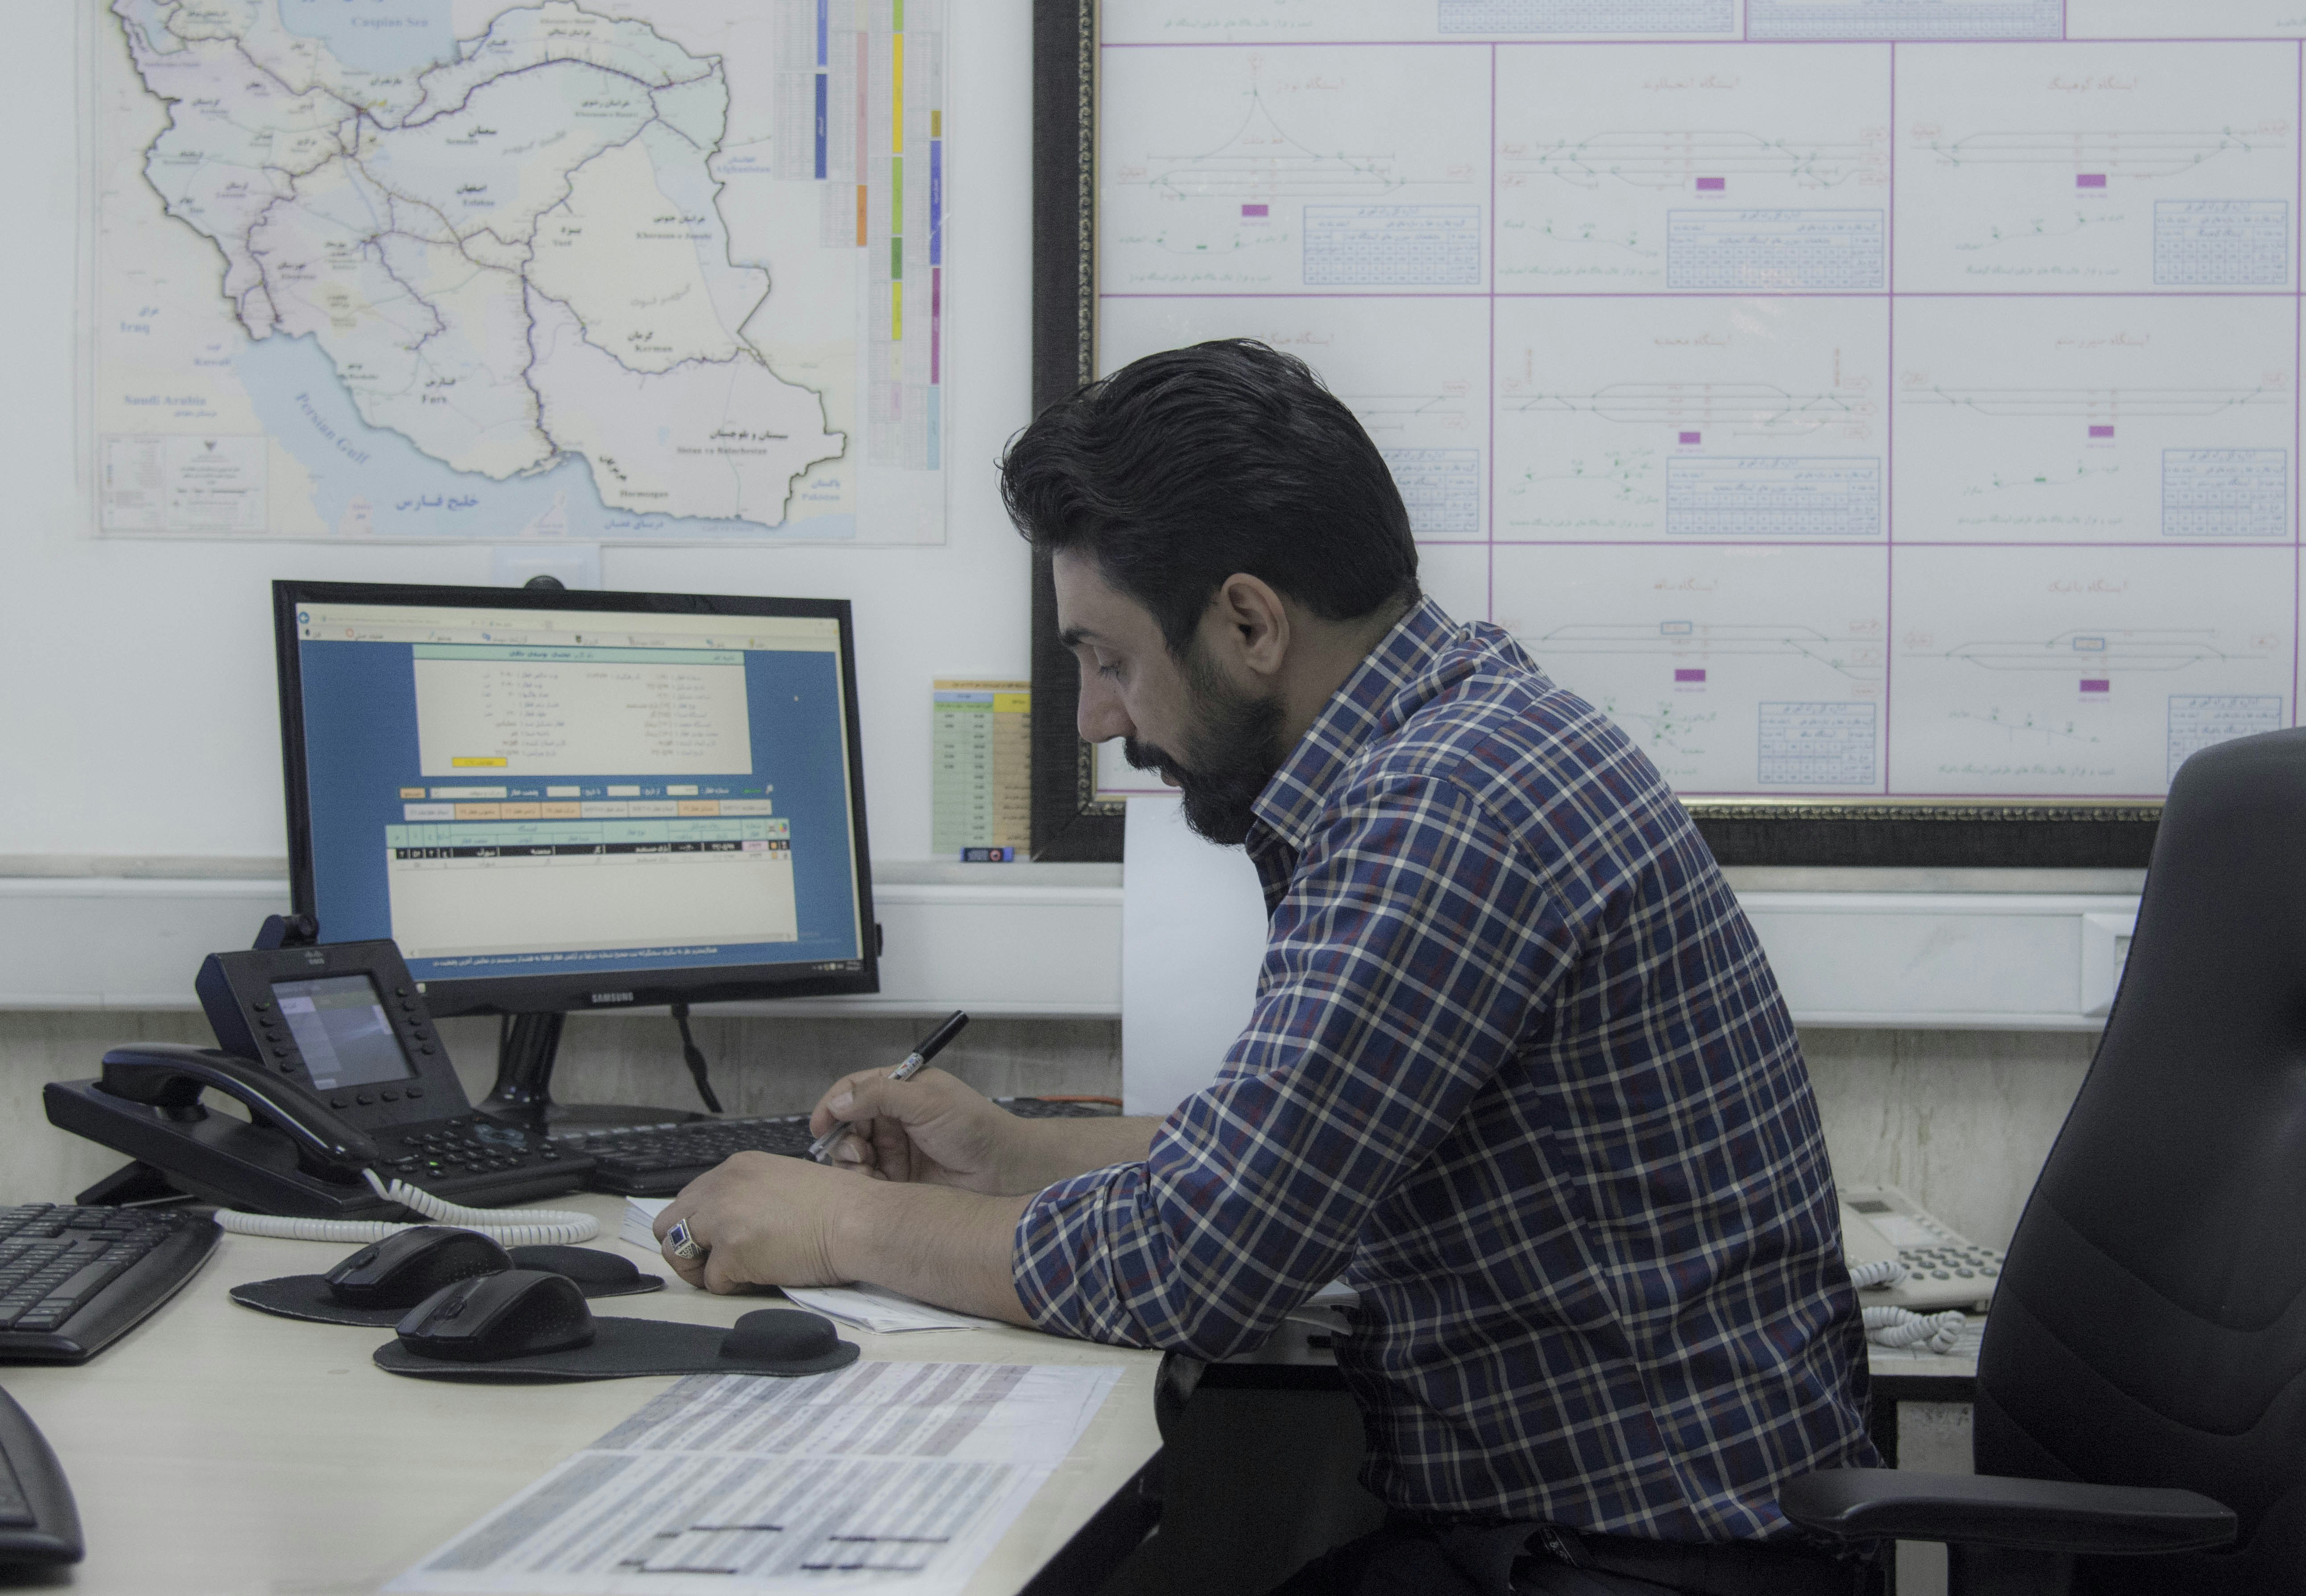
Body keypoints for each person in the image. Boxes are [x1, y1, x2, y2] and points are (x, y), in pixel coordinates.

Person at [656, 339, 1880, 1594]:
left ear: (1248, 621)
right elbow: (1283, 1154)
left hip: (1647, 1565)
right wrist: (1008, 1152)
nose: (1095, 719)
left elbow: (1200, 1264)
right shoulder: (1459, 740)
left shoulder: (1445, 808)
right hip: (1610, 1533)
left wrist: (842, 1224)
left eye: (1109, 658)